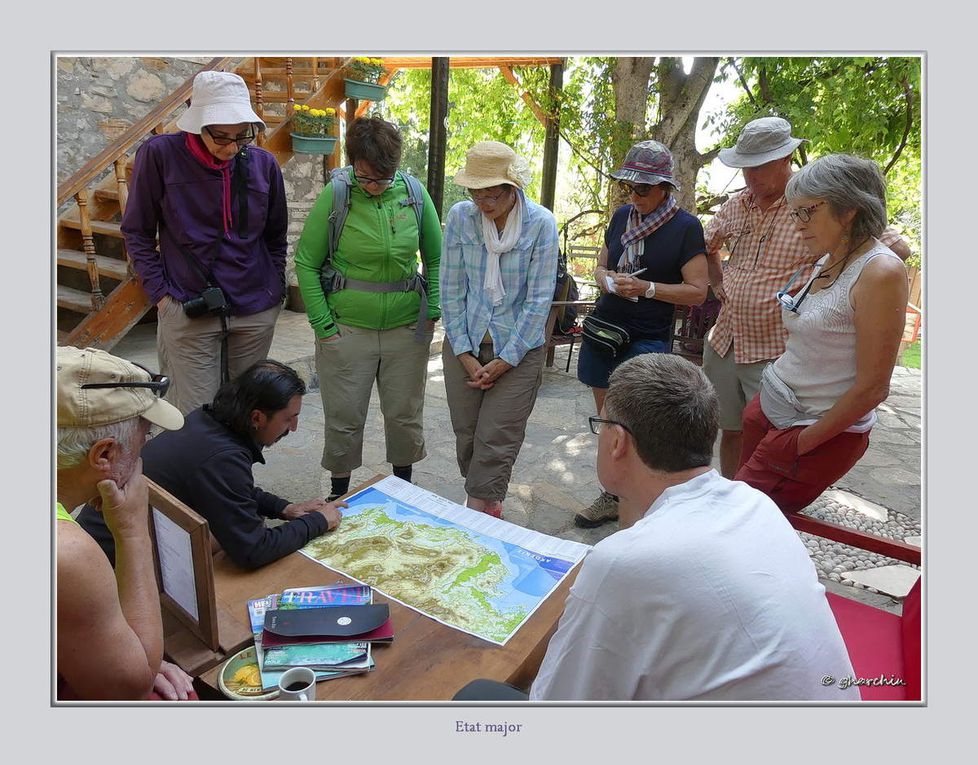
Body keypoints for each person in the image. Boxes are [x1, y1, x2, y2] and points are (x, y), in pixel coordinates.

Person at [529, 354, 859, 700]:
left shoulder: (625, 563)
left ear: (617, 442)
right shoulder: (755, 503)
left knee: (482, 695)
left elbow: (560, 704)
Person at [703, 117, 911, 479]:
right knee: (731, 428)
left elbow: (889, 245)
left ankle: (753, 500)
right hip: (726, 337)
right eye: (745, 168)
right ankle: (731, 491)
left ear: (785, 158)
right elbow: (708, 244)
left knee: (773, 451)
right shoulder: (737, 205)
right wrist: (719, 284)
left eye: (760, 166)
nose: (750, 177)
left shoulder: (823, 200)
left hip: (773, 346)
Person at [734, 154, 909, 513]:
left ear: (850, 210)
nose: (798, 225)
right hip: (773, 407)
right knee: (746, 519)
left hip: (807, 428)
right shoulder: (829, 256)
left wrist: (801, 442)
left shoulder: (881, 272)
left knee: (740, 519)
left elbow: (874, 387)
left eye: (807, 212)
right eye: (794, 212)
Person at [123, 70, 288, 415]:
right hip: (188, 307)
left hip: (256, 308)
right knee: (195, 417)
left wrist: (275, 290)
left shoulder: (264, 165)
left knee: (246, 414)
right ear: (198, 126)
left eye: (241, 136)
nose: (231, 146)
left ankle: (236, 471)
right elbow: (137, 231)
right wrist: (163, 297)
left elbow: (275, 235)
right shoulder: (160, 155)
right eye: (221, 136)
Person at [294, 117, 442, 502]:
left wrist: (434, 306)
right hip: (347, 329)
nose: (375, 186)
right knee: (344, 416)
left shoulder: (412, 192)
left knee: (404, 414)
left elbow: (437, 256)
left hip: (406, 329)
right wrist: (323, 325)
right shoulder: (337, 194)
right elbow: (306, 262)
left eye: (384, 178)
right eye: (366, 177)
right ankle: (339, 493)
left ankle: (404, 489)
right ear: (353, 162)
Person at [77, 360, 344, 571]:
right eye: (289, 419)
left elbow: (233, 490)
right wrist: (318, 522)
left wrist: (284, 508)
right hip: (110, 563)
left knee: (242, 524)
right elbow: (253, 551)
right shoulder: (221, 457)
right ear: (257, 417)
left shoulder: (207, 420)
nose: (294, 428)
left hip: (109, 541)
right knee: (248, 545)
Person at [574, 140, 708, 527]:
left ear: (665, 187)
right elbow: (602, 263)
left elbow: (698, 291)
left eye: (643, 188)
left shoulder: (685, 227)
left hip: (648, 337)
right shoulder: (621, 217)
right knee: (608, 419)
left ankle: (642, 503)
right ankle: (613, 495)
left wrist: (648, 289)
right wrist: (606, 279)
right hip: (607, 329)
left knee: (638, 425)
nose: (634, 195)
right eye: (628, 187)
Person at [56, 345, 194, 700]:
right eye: (144, 436)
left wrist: (120, 655)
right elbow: (130, 687)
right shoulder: (65, 552)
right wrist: (132, 530)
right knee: (168, 697)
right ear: (104, 454)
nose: (144, 450)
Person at [440, 141, 558, 517]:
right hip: (466, 341)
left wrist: (506, 359)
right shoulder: (461, 218)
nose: (484, 204)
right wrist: (463, 352)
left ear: (513, 190)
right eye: (477, 193)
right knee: (468, 435)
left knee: (496, 438)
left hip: (518, 348)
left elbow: (539, 301)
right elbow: (451, 288)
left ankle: (477, 510)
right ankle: (486, 498)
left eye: (492, 195)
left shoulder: (540, 224)